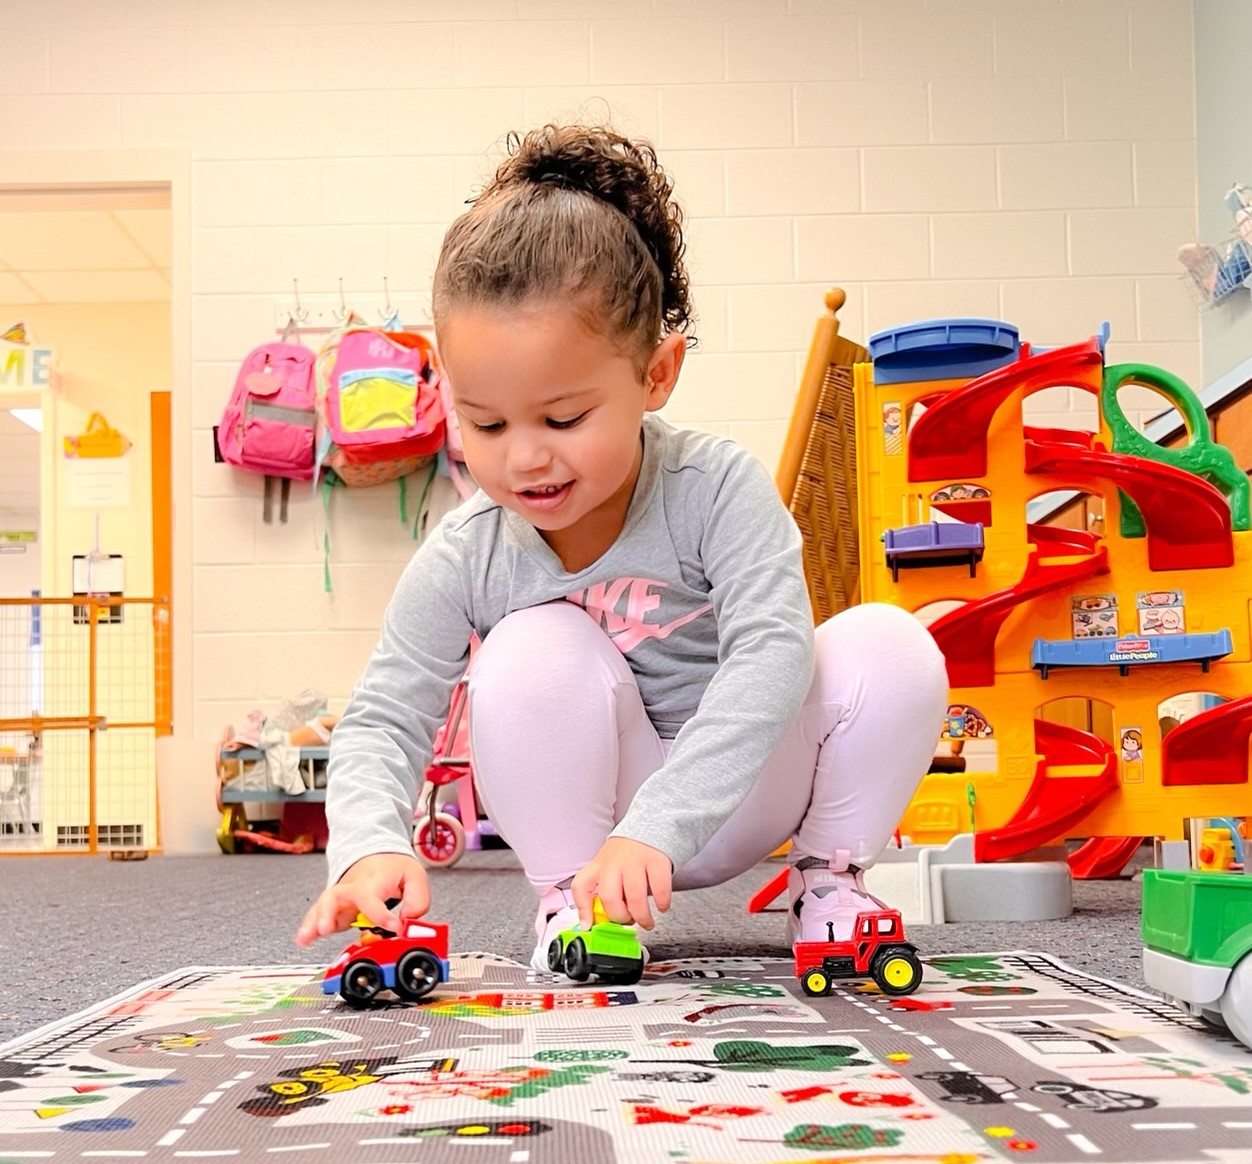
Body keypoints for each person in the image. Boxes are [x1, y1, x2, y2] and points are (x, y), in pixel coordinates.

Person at [296, 123, 948, 969]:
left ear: (657, 374)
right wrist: (368, 843)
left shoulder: (716, 487)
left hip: (747, 785)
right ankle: (572, 908)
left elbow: (771, 655)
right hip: (596, 831)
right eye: (485, 424)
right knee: (529, 642)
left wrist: (661, 825)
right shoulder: (468, 551)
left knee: (892, 643)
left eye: (564, 418)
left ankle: (830, 882)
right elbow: (386, 712)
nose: (525, 457)